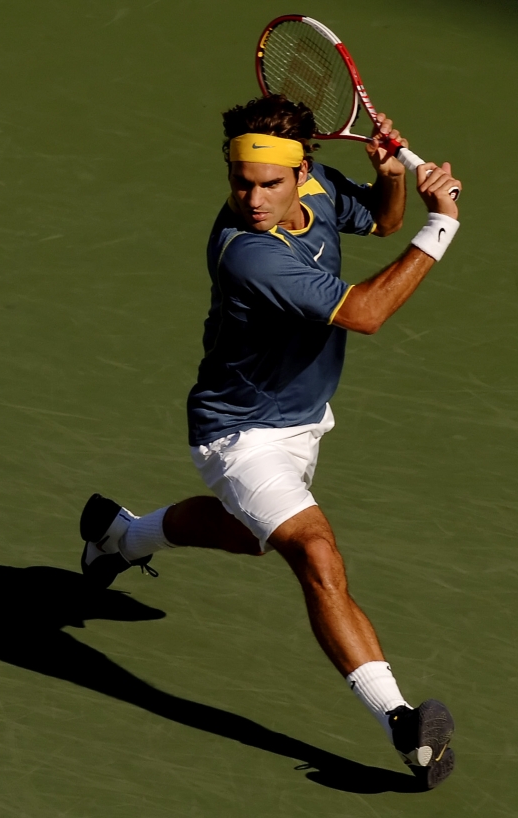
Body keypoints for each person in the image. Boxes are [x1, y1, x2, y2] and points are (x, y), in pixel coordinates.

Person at [79, 94, 461, 789]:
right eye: (240, 183)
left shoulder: (318, 189)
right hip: (239, 434)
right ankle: (404, 727)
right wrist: (442, 226)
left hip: (302, 418)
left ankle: (121, 536)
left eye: (269, 184)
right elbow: (366, 313)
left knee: (250, 534)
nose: (252, 200)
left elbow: (381, 221)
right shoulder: (248, 254)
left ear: (302, 172)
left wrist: (391, 179)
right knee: (315, 552)